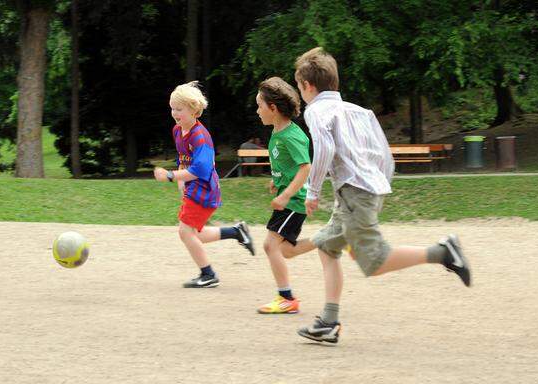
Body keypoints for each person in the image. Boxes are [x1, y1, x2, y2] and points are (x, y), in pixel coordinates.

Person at [292, 47, 472, 343]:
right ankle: (329, 321)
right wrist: (377, 185)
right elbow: (383, 154)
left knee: (374, 261)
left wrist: (312, 190)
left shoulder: (316, 111)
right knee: (326, 246)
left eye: (300, 88)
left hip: (354, 194)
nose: (302, 94)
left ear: (307, 86)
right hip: (364, 190)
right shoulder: (358, 111)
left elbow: (324, 150)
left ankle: (444, 253)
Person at [154, 81, 255, 288]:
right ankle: (236, 232)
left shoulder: (201, 137)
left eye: (179, 109)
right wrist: (181, 179)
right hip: (194, 188)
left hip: (204, 190)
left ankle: (208, 274)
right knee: (195, 234)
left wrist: (172, 176)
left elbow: (201, 169)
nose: (174, 113)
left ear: (194, 110)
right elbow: (184, 156)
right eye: (172, 108)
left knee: (185, 232)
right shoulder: (178, 130)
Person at [254, 77, 312, 314]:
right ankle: (330, 238)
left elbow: (305, 167)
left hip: (294, 201)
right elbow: (289, 165)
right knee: (286, 251)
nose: (257, 111)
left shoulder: (291, 135)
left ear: (273, 108)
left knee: (270, 246)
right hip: (290, 198)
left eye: (259, 106)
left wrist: (286, 194)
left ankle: (286, 298)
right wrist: (276, 179)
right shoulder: (279, 132)